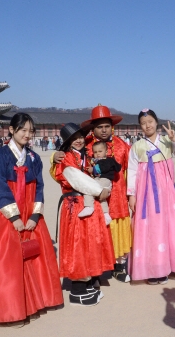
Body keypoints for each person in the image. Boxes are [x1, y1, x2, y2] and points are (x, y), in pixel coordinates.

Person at [0, 113, 63, 326]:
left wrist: (35, 215)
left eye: (31, 131)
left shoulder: (34, 158)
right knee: (4, 260)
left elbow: (39, 186)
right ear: (11, 130)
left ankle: (33, 303)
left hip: (29, 209)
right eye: (23, 130)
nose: (28, 135)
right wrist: (14, 217)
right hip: (4, 210)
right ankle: (7, 311)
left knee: (33, 254)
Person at [52, 104, 132, 282]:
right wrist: (54, 156)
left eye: (106, 126)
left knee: (118, 228)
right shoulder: (84, 144)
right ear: (93, 129)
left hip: (117, 195)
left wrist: (132, 194)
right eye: (99, 127)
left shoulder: (123, 146)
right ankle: (97, 269)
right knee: (96, 233)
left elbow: (133, 171)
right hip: (93, 198)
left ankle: (119, 266)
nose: (103, 130)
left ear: (112, 126)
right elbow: (67, 163)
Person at [54, 122, 115, 306]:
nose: (79, 140)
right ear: (66, 142)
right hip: (75, 204)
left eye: (80, 137)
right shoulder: (65, 158)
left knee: (89, 243)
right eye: (74, 138)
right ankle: (77, 289)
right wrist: (99, 191)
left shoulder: (86, 156)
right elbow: (76, 178)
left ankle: (88, 281)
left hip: (87, 203)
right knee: (77, 244)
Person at [127, 109, 175, 285]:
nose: (148, 125)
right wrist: (131, 194)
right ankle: (150, 269)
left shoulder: (167, 141)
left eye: (151, 121)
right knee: (148, 229)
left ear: (156, 122)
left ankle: (166, 266)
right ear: (140, 126)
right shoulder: (137, 146)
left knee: (166, 227)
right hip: (145, 194)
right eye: (144, 123)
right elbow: (131, 171)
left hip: (165, 192)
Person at [81, 141, 121, 219]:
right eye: (95, 152)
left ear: (106, 151)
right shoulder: (104, 160)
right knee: (102, 198)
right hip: (105, 182)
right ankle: (106, 214)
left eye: (100, 151)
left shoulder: (106, 160)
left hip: (103, 180)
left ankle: (89, 206)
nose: (98, 154)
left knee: (89, 190)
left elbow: (103, 168)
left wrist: (93, 169)